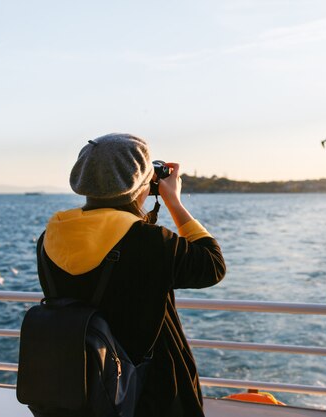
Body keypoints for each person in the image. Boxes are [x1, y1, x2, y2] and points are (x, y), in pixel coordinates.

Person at [36, 133, 226, 416]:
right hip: (149, 390)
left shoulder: (49, 238)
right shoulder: (149, 240)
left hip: (80, 384)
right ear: (141, 183)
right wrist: (173, 201)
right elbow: (213, 266)